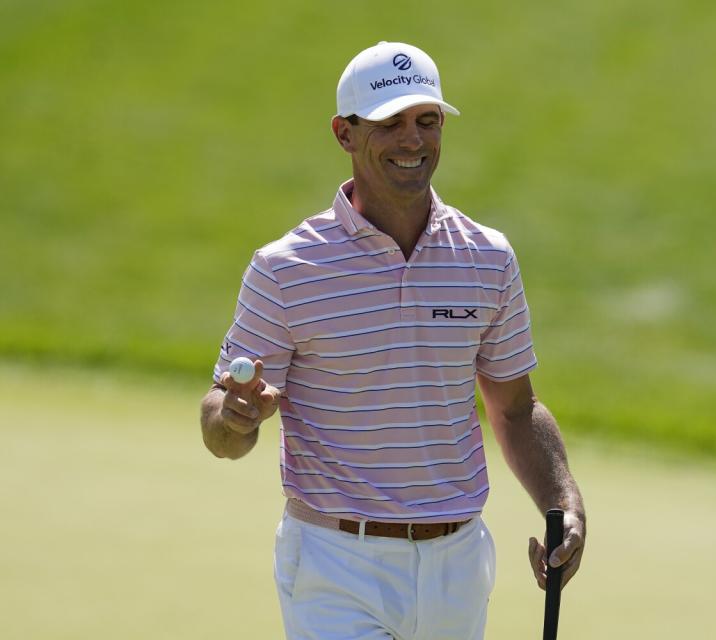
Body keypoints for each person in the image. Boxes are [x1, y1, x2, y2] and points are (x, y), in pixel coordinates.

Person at [200, 41, 586, 640]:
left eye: (427, 121)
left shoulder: (486, 257)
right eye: (391, 123)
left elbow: (515, 408)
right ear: (344, 133)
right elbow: (220, 428)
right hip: (336, 563)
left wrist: (566, 502)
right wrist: (236, 418)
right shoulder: (285, 269)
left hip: (457, 564)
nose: (414, 140)